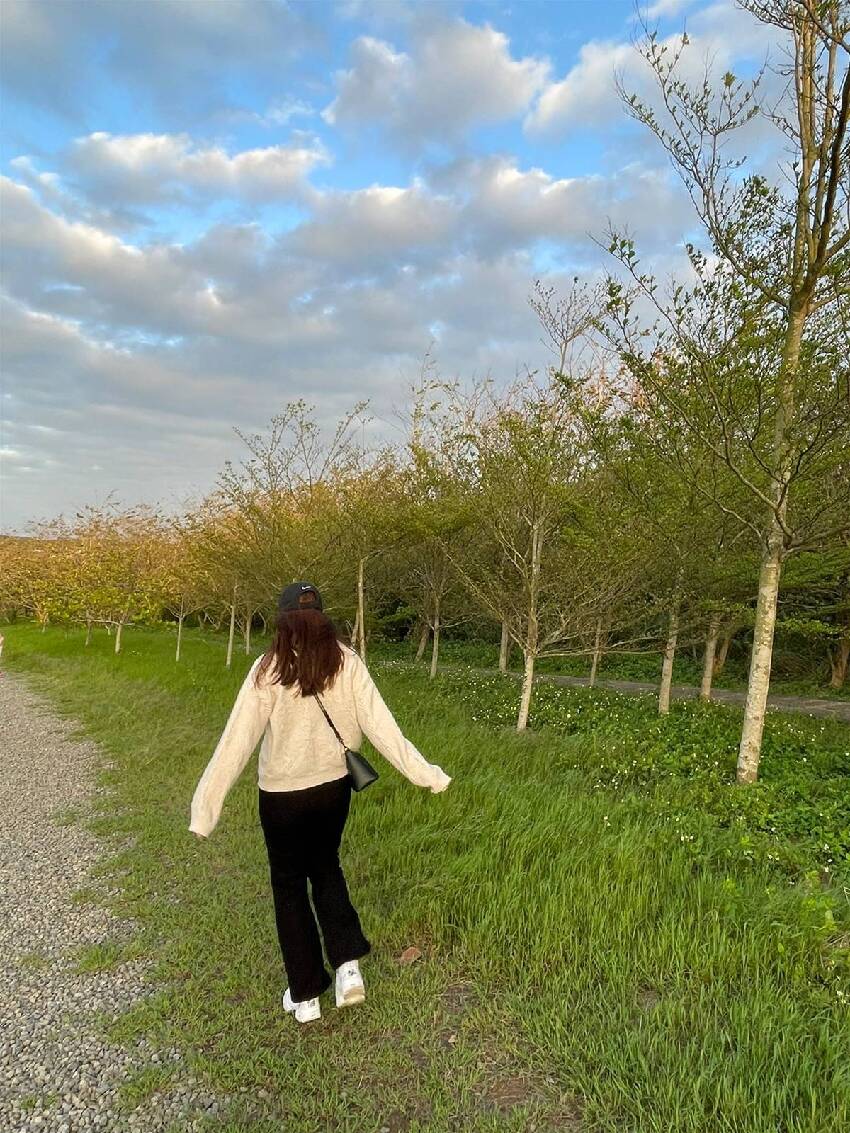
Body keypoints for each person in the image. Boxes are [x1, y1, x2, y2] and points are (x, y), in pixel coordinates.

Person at [189, 581, 452, 1024]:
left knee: (289, 886)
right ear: (323, 618)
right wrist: (425, 773)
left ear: (283, 621)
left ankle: (306, 994)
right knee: (327, 867)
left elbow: (236, 743)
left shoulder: (267, 669)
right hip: (333, 790)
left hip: (281, 797)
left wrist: (205, 809)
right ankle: (348, 970)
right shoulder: (346, 662)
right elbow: (382, 726)